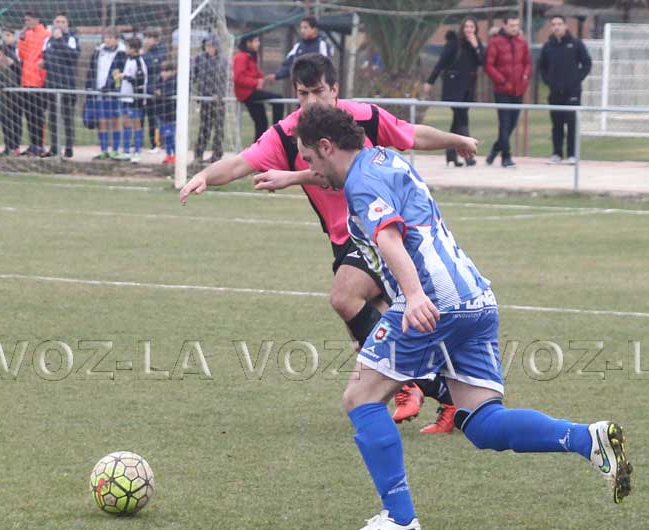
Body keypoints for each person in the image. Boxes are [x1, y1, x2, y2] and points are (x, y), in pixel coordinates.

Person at [294, 103, 632, 530]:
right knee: (483, 421)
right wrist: (289, 177)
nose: (311, 170)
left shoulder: (361, 182)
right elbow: (345, 179)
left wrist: (415, 296)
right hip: (476, 297)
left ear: (326, 146)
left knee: (361, 398)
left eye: (309, 159)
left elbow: (389, 237)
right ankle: (587, 439)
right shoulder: (384, 158)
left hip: (435, 301)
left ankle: (399, 518)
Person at [180, 54, 477, 428]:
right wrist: (205, 176)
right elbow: (241, 163)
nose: (310, 101)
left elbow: (410, 135)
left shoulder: (362, 118)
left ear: (335, 89)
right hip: (343, 238)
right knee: (380, 325)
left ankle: (416, 385)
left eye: (318, 91)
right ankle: (449, 397)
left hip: (380, 229)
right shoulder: (287, 133)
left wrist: (457, 140)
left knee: (345, 297)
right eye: (302, 93)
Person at [423, 18, 484, 167]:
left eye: (472, 27)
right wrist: (430, 81)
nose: (469, 29)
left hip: (468, 89)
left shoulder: (476, 43)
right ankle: (468, 155)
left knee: (457, 121)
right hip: (454, 88)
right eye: (466, 26)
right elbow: (441, 63)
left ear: (475, 29)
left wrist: (476, 46)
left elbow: (482, 61)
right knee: (462, 119)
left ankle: (451, 155)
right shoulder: (454, 43)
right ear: (462, 28)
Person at [538, 15, 592, 165]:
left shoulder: (576, 44)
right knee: (557, 124)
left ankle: (572, 155)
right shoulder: (548, 46)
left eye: (559, 24)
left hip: (572, 92)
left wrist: (576, 79)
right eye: (554, 24)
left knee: (572, 124)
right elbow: (542, 67)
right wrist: (548, 81)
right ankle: (557, 154)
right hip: (555, 93)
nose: (556, 27)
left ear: (565, 26)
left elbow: (587, 63)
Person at [484, 15, 531, 168]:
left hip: (518, 90)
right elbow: (489, 66)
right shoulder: (495, 42)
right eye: (511, 25)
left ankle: (495, 150)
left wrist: (524, 78)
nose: (514, 28)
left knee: (512, 124)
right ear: (504, 25)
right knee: (504, 123)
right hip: (502, 90)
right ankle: (506, 156)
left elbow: (528, 63)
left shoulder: (522, 42)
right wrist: (502, 81)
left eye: (516, 25)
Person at [41, 13, 80, 158]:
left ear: (67, 24)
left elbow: (73, 57)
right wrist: (44, 64)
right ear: (53, 23)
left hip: (67, 84)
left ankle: (69, 147)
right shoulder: (47, 40)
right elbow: (46, 57)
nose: (60, 24)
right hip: (51, 84)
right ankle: (54, 147)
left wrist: (60, 40)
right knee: (52, 117)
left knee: (67, 117)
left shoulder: (71, 39)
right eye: (57, 21)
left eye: (63, 22)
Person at [233, 34, 283, 142]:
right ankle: (277, 133)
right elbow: (238, 78)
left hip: (251, 92)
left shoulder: (251, 57)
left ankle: (258, 148)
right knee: (278, 100)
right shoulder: (241, 57)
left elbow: (255, 73)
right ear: (248, 43)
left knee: (261, 123)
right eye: (256, 41)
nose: (258, 44)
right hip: (247, 93)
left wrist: (263, 80)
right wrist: (256, 82)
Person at [86, 28, 126, 160]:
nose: (108, 40)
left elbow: (119, 72)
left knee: (115, 121)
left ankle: (115, 150)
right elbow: (92, 70)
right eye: (106, 37)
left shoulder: (121, 54)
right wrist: (90, 85)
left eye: (111, 37)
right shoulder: (98, 52)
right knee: (102, 121)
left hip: (114, 93)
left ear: (116, 39)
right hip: (99, 92)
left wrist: (110, 85)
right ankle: (104, 150)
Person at [17, 11, 50, 156]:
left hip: (39, 80)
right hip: (26, 79)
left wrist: (42, 72)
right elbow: (22, 55)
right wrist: (22, 38)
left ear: (37, 20)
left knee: (38, 115)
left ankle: (40, 145)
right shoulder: (28, 34)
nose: (26, 23)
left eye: (28, 20)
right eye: (25, 20)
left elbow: (47, 55)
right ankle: (33, 144)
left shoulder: (46, 34)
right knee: (29, 115)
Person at [192, 34, 227, 163]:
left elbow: (225, 80)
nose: (209, 48)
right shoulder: (199, 59)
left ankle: (217, 155)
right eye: (207, 45)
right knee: (204, 128)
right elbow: (193, 76)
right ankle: (198, 155)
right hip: (205, 100)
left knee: (218, 128)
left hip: (218, 101)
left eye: (212, 46)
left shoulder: (222, 61)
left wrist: (219, 94)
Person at [269, 16, 331, 82]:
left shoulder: (322, 45)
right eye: (301, 28)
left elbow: (326, 66)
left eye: (305, 27)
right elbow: (288, 64)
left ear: (314, 29)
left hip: (316, 84)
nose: (302, 30)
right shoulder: (298, 46)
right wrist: (277, 75)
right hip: (300, 84)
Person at [116, 37, 147, 163]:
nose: (125, 49)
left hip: (135, 99)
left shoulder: (139, 62)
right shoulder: (128, 60)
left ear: (133, 49)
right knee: (126, 124)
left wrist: (125, 77)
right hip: (125, 97)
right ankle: (126, 151)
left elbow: (140, 81)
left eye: (127, 47)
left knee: (136, 125)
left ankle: (137, 152)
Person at [0, 27, 22, 154]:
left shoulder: (18, 50)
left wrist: (13, 64)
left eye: (8, 35)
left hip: (16, 89)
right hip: (2, 89)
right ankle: (7, 146)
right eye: (4, 35)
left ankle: (15, 146)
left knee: (16, 118)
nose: (6, 37)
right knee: (5, 119)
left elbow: (22, 70)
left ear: (14, 37)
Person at [141, 27, 167, 153]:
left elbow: (154, 67)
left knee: (155, 120)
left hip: (155, 92)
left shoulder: (161, 52)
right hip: (143, 91)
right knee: (140, 119)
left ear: (156, 40)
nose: (147, 40)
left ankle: (157, 144)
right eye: (145, 37)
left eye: (150, 38)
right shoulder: (142, 52)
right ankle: (140, 144)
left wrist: (144, 55)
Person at [155, 61, 176, 164]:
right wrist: (155, 91)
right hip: (161, 113)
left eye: (167, 71)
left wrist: (162, 93)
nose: (164, 73)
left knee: (170, 135)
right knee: (165, 136)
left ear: (172, 72)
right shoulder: (158, 80)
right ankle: (168, 155)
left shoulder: (175, 81)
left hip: (171, 114)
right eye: (163, 71)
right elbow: (150, 88)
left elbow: (172, 92)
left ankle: (175, 155)